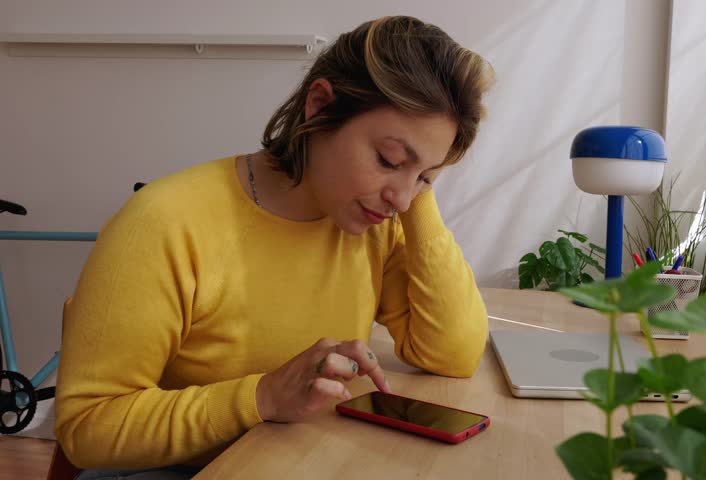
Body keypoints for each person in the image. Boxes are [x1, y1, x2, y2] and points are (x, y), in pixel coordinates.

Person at [54, 15, 495, 479]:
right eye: (388, 159)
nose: (402, 198)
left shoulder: (376, 223)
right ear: (320, 106)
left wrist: (418, 188)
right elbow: (87, 430)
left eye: (426, 177)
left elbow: (454, 353)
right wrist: (260, 397)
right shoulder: (163, 222)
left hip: (299, 460)